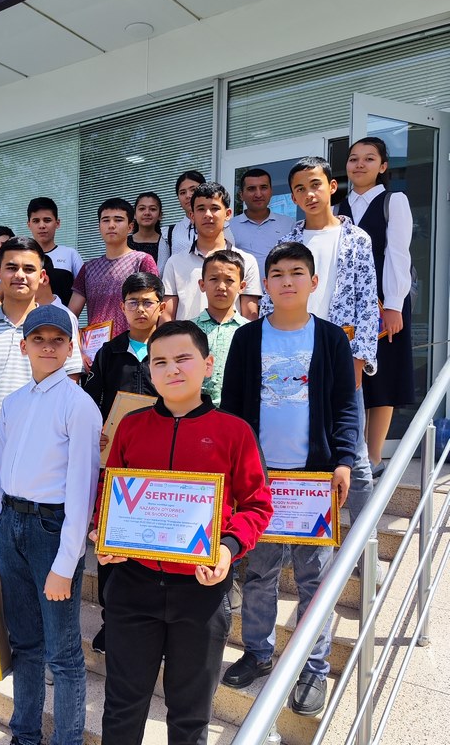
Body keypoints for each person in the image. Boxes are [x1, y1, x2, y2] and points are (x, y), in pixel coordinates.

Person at [92, 320, 272, 745]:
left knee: (190, 715)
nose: (172, 369)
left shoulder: (234, 431)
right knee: (122, 707)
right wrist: (104, 534)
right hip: (132, 585)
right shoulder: (131, 426)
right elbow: (109, 493)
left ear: (207, 365)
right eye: (160, 362)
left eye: (183, 358)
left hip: (200, 592)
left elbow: (257, 505)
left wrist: (227, 548)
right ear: (150, 372)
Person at [220, 242, 358, 716]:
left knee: (313, 578)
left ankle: (312, 666)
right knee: (259, 572)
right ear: (266, 284)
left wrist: (344, 460)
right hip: (262, 481)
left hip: (314, 481)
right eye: (276, 273)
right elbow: (233, 408)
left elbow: (345, 405)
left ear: (313, 282)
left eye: (296, 272)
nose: (286, 281)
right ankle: (258, 652)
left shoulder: (331, 339)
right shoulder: (248, 339)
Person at [0, 237, 83, 671]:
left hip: (45, 472)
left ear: (42, 275)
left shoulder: (61, 322)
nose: (20, 275)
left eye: (29, 268)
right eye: (11, 267)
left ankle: (46, 648)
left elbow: (70, 393)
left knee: (40, 567)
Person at [0, 305, 102, 745]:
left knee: (63, 653)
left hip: (51, 530)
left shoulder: (79, 405)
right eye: (39, 339)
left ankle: (67, 740)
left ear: (71, 348)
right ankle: (25, 735)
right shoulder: (14, 402)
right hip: (11, 524)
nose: (47, 347)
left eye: (57, 340)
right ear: (24, 345)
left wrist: (65, 565)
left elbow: (82, 490)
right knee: (25, 644)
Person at [267, 156, 379, 532]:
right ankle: (297, 534)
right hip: (291, 360)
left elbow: (367, 304)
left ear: (332, 187)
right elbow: (270, 301)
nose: (309, 194)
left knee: (355, 456)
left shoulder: (356, 239)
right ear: (293, 197)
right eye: (299, 188)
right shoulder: (287, 242)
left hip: (341, 358)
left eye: (315, 184)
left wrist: (359, 361)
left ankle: (363, 545)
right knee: (297, 449)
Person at [82, 272, 164, 653]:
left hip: (163, 464)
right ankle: (110, 620)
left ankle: (152, 623)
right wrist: (95, 432)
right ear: (122, 307)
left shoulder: (169, 348)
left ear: (160, 306)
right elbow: (91, 402)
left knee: (155, 546)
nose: (140, 309)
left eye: (148, 302)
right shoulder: (109, 352)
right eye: (133, 303)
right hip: (117, 466)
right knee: (110, 546)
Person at [338, 137, 414, 475]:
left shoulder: (393, 201)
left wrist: (394, 304)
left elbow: (398, 254)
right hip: (347, 305)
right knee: (350, 375)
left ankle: (374, 457)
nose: (359, 164)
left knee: (383, 378)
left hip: (386, 301)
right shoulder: (338, 207)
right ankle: (352, 453)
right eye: (353, 158)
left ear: (382, 166)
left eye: (369, 159)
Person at [161, 182, 261, 322]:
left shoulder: (246, 261)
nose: (208, 215)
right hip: (185, 336)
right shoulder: (175, 263)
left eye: (215, 208)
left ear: (228, 214)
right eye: (201, 209)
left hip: (233, 336)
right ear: (192, 216)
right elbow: (167, 315)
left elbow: (250, 315)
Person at [68, 197, 158, 337]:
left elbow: (152, 306)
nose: (111, 225)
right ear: (99, 227)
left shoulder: (142, 260)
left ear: (130, 227)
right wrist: (77, 339)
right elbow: (71, 314)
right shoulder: (88, 268)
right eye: (105, 220)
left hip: (132, 344)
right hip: (96, 346)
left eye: (118, 220)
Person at [193, 249, 249, 407]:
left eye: (229, 280)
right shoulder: (189, 330)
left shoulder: (249, 331)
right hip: (195, 411)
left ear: (242, 286)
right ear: (202, 284)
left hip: (236, 412)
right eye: (214, 279)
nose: (221, 286)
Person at [229, 168, 296, 278]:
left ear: (271, 191)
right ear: (241, 195)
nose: (258, 194)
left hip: (281, 287)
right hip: (244, 288)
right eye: (251, 189)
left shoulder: (289, 225)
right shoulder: (229, 227)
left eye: (263, 188)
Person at [26, 197, 83, 305]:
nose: (42, 226)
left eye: (47, 220)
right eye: (36, 221)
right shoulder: (23, 257)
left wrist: (69, 313)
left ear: (57, 223)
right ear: (29, 224)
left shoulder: (70, 254)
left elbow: (83, 291)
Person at [166, 170, 206, 256]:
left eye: (193, 190)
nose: (188, 195)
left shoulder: (222, 227)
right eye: (182, 192)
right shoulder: (169, 233)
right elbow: (162, 264)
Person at [128, 192, 169, 273]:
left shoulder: (166, 243)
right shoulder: (124, 243)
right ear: (135, 214)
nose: (147, 213)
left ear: (160, 215)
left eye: (152, 209)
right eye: (142, 209)